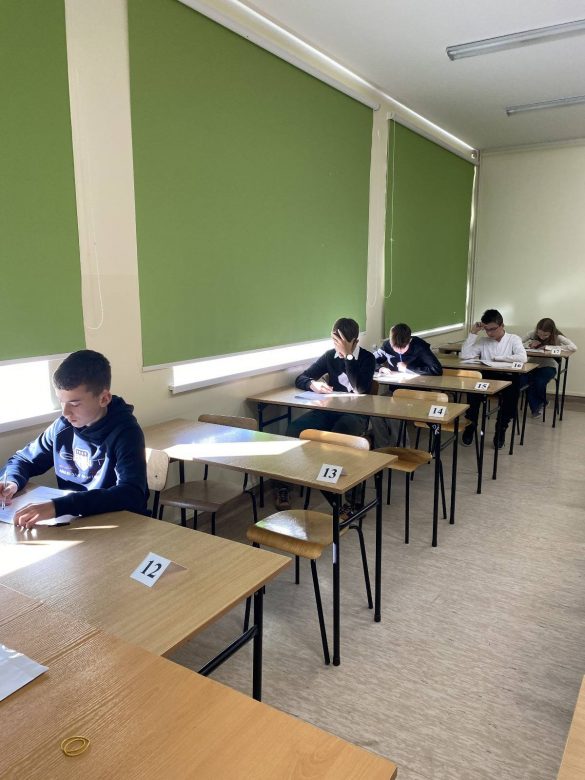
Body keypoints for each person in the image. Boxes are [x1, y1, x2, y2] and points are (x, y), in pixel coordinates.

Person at [0, 350, 148, 528]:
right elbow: (23, 459)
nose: (65, 412)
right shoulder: (62, 427)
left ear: (104, 398)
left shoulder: (126, 432)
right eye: (61, 401)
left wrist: (58, 506)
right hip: (75, 523)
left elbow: (131, 494)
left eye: (75, 404)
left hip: (120, 525)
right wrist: (11, 481)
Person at [275, 317, 375, 510]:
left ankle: (351, 499)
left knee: (340, 436)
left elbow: (360, 389)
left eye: (341, 343)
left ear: (355, 342)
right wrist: (312, 384)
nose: (337, 346)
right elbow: (301, 377)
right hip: (329, 411)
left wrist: (348, 356)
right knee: (294, 429)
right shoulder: (330, 356)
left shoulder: (367, 358)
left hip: (357, 414)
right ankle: (284, 486)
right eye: (335, 341)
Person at [460, 309, 527, 449]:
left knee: (512, 394)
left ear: (502, 325)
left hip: (508, 377)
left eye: (493, 329)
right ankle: (471, 425)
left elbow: (522, 357)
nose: (489, 333)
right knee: (473, 391)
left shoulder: (513, 339)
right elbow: (464, 355)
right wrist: (473, 333)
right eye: (486, 329)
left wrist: (499, 358)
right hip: (487, 376)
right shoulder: (483, 341)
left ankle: (501, 429)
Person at [371, 323, 442, 448]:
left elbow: (436, 369)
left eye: (403, 348)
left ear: (409, 340)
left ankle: (402, 449)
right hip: (395, 392)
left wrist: (408, 368)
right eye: (396, 348)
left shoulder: (419, 346)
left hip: (417, 394)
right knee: (375, 409)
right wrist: (380, 368)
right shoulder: (387, 346)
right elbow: (370, 360)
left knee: (394, 411)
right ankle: (382, 449)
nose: (399, 351)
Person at [523, 318, 577, 417]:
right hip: (532, 364)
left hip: (549, 366)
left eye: (545, 335)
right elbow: (517, 344)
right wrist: (529, 344)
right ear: (537, 330)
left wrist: (549, 347)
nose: (542, 337)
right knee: (524, 380)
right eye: (540, 334)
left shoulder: (558, 337)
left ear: (551, 332)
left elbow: (573, 347)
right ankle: (539, 405)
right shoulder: (532, 333)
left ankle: (539, 405)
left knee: (539, 381)